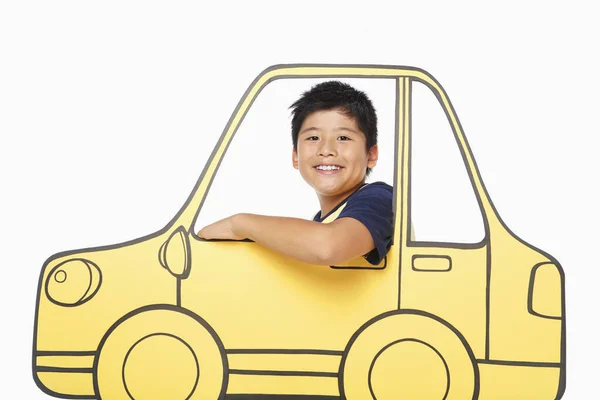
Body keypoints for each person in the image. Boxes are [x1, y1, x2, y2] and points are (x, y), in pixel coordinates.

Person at [198, 81, 393, 265]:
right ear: (295, 156)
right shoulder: (319, 224)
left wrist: (239, 224)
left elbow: (327, 247)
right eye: (313, 137)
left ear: (371, 154)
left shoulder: (380, 199)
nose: (326, 149)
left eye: (343, 137)